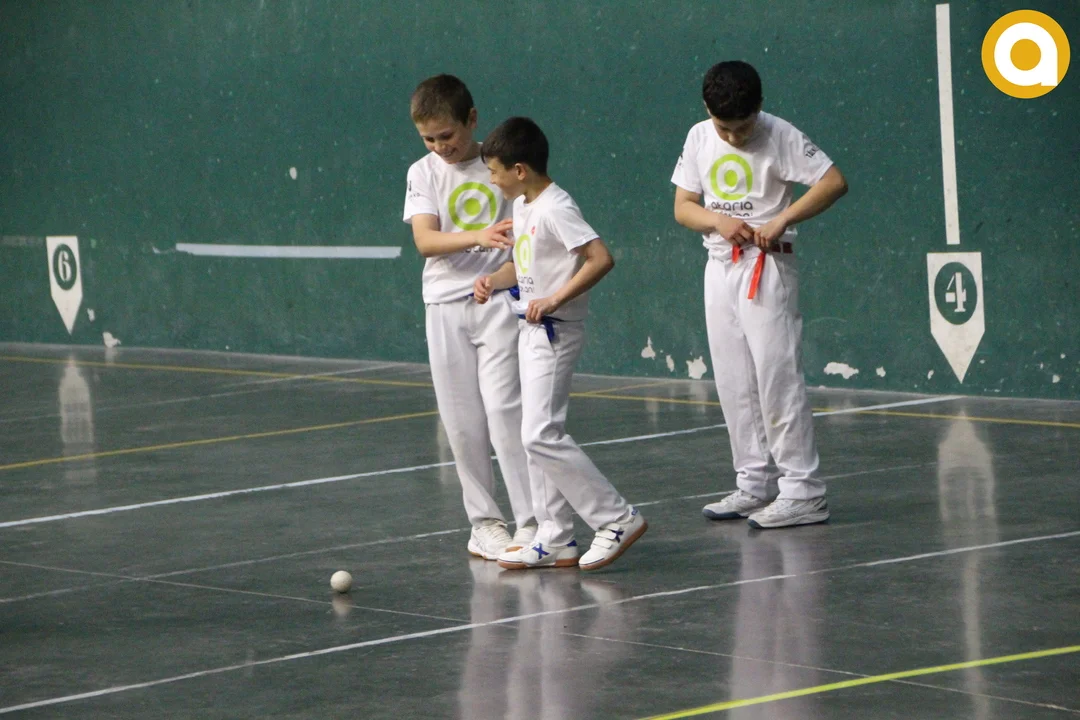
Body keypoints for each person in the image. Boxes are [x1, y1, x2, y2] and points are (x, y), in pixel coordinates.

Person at [670, 61, 848, 529]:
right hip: (718, 266)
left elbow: (833, 181)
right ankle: (754, 483)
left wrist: (782, 218)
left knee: (777, 378)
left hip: (767, 268)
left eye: (743, 127)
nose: (733, 137)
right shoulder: (698, 137)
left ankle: (804, 491)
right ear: (706, 109)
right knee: (734, 381)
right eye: (723, 127)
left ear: (760, 107)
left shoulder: (780, 134)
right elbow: (683, 207)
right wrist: (718, 220)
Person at [474, 116, 647, 570]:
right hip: (528, 331)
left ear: (519, 170)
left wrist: (554, 299)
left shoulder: (556, 207)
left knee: (540, 433)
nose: (491, 180)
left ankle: (616, 518)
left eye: (494, 171)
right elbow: (523, 267)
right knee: (534, 436)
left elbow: (600, 258)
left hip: (556, 332)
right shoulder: (524, 206)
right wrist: (493, 280)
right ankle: (555, 536)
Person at [403, 75, 535, 558]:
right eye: (429, 139)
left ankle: (532, 521)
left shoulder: (502, 166)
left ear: (472, 119)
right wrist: (479, 236)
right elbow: (425, 240)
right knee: (462, 423)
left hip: (497, 301)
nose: (440, 147)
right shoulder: (423, 173)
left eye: (447, 135)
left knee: (505, 412)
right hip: (443, 305)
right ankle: (484, 524)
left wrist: (499, 274)